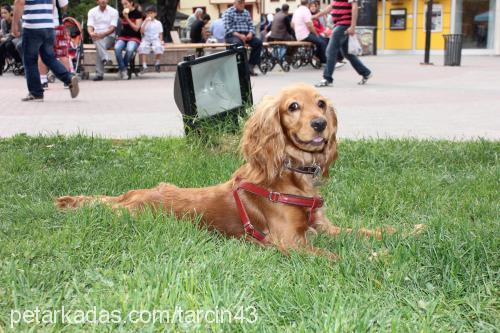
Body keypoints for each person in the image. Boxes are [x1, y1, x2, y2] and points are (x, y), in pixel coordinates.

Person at [12, 0, 79, 101]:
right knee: (49, 58)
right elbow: (52, 4)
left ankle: (36, 93)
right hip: (48, 26)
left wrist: (14, 25)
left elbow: (19, 2)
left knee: (30, 60)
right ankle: (69, 78)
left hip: (32, 27)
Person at [314, 0, 372, 87]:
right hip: (338, 24)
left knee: (331, 51)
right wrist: (316, 16)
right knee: (347, 53)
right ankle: (366, 73)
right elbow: (331, 7)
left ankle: (327, 79)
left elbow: (354, 7)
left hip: (344, 25)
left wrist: (352, 26)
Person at [223, 0, 262, 76]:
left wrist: (250, 33)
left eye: (243, 2)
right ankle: (241, 68)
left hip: (246, 35)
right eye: (240, 2)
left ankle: (250, 66)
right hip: (232, 35)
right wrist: (239, 35)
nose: (242, 4)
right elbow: (228, 28)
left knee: (258, 43)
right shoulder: (228, 12)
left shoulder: (246, 12)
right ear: (234, 3)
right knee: (239, 44)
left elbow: (251, 26)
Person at [38, 0, 71, 88]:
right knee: (62, 53)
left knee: (42, 54)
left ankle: (43, 81)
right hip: (55, 24)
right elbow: (64, 5)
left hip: (40, 25)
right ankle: (67, 81)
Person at [87, 0, 119, 81]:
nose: (103, 0)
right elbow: (90, 26)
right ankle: (106, 59)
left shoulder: (114, 11)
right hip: (97, 35)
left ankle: (99, 74)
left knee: (98, 43)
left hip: (109, 36)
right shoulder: (92, 11)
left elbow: (113, 28)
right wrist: (91, 33)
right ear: (97, 1)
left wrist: (103, 34)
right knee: (98, 42)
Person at [115, 0, 142, 79]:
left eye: (126, 4)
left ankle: (122, 69)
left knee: (129, 49)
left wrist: (127, 18)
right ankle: (123, 70)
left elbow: (136, 29)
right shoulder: (122, 14)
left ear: (131, 3)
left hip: (134, 37)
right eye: (123, 5)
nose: (124, 6)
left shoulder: (138, 14)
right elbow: (119, 27)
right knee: (117, 48)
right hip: (123, 36)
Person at [138, 5, 163, 73]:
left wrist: (161, 40)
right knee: (143, 47)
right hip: (146, 39)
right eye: (148, 13)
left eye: (151, 13)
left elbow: (160, 33)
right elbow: (141, 31)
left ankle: (157, 62)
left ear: (155, 14)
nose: (150, 15)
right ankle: (144, 65)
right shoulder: (145, 22)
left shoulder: (158, 23)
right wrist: (145, 22)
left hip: (155, 39)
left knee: (159, 47)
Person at [0, 4, 22, 75]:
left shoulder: (17, 21)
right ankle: (2, 65)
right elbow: (3, 33)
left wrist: (6, 37)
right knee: (3, 45)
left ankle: (19, 61)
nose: (3, 15)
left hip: (19, 38)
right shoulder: (3, 22)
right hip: (10, 39)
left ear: (10, 13)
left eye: (5, 13)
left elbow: (19, 33)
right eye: (2, 13)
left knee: (7, 44)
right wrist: (7, 37)